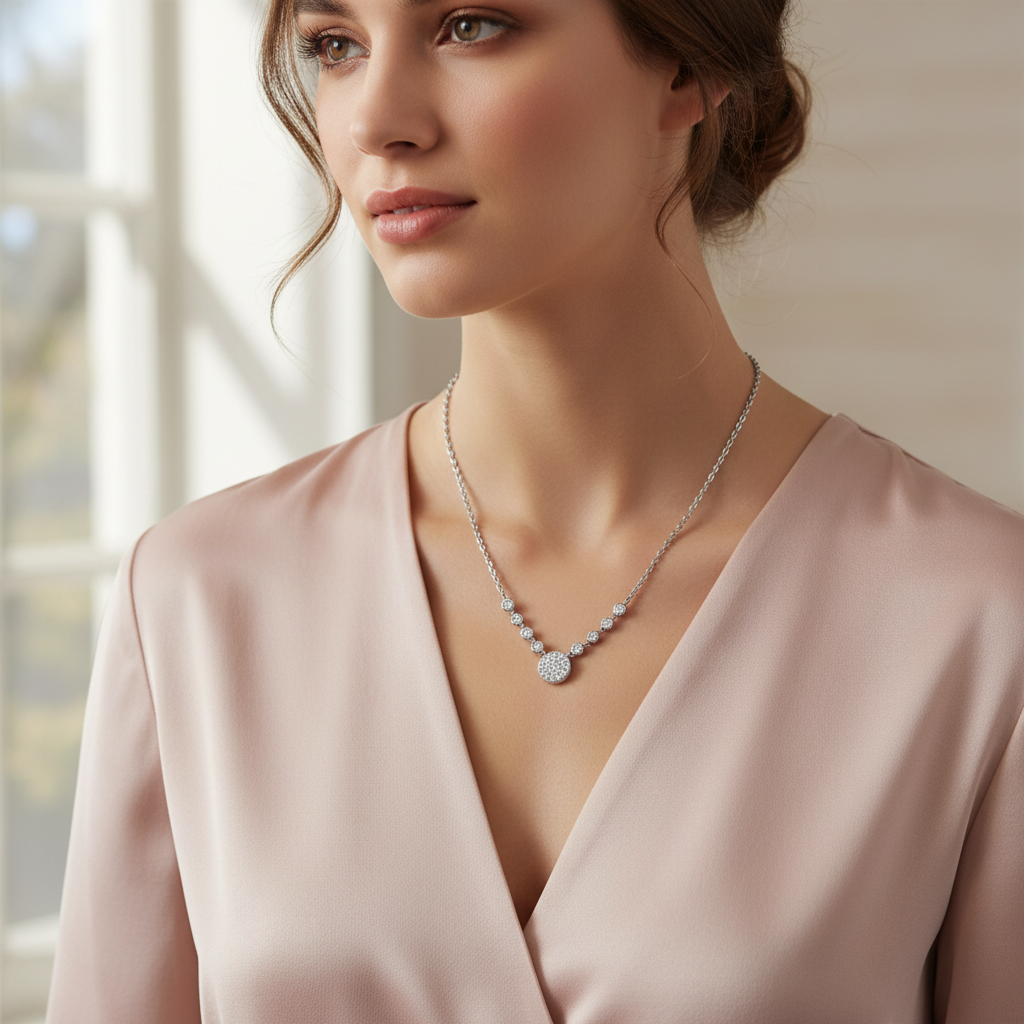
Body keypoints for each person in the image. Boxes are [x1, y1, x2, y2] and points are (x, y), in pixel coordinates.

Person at [46, 0, 1023, 1021]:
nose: (376, 119)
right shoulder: (198, 597)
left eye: (471, 26)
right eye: (336, 46)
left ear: (685, 67)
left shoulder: (978, 618)